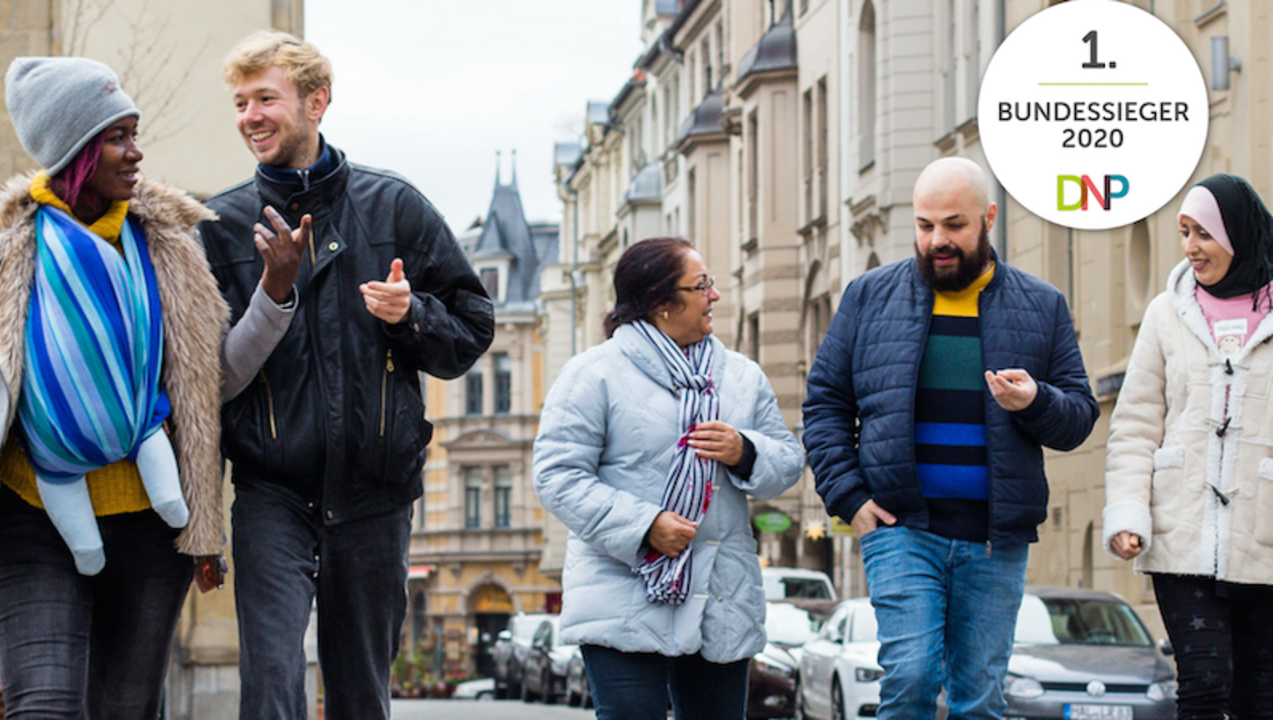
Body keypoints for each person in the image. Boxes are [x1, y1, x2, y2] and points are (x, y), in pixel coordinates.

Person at [197, 32, 494, 720]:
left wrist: (411, 314)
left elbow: (471, 330)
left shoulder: (395, 208)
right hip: (271, 492)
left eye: (265, 99)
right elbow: (198, 382)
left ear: (316, 102)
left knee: (361, 695)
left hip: (375, 494)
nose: (250, 116)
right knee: (270, 685)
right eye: (240, 103)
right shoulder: (223, 226)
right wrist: (202, 520)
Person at [802, 157, 1099, 719]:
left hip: (995, 538)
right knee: (911, 677)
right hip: (901, 527)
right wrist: (850, 498)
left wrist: (1036, 401)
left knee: (980, 697)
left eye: (954, 225)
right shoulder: (869, 298)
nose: (937, 239)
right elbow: (825, 405)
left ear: (989, 218)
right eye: (925, 225)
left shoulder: (1041, 304)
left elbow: (1080, 416)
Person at [0, 56, 229, 718]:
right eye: (118, 137)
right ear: (78, 151)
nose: (136, 152)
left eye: (134, 134)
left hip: (150, 523)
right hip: (33, 511)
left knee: (125, 709)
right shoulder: (9, 252)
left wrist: (273, 298)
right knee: (43, 705)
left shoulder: (167, 242)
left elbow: (209, 380)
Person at [533, 237, 804, 720]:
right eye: (700, 286)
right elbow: (558, 475)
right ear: (660, 302)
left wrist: (745, 452)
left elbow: (787, 462)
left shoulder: (741, 376)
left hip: (721, 597)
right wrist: (646, 526)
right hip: (621, 593)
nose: (714, 295)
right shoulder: (593, 374)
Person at [1104, 173, 1273, 718]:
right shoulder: (1165, 313)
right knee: (1204, 682)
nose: (1191, 248)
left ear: (1238, 233)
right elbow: (1135, 425)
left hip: (1264, 536)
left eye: (1204, 233)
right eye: (1184, 233)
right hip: (1180, 534)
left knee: (1260, 698)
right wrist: (1128, 512)